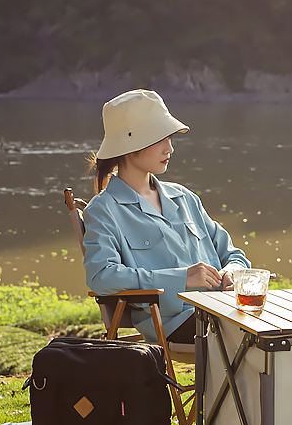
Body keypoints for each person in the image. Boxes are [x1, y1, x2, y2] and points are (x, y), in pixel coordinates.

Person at [83, 89, 250, 344]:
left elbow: (234, 254)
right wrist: (182, 278)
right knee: (262, 338)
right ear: (130, 145)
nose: (169, 148)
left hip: (224, 308)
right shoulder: (104, 210)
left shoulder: (184, 197)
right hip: (179, 323)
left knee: (289, 328)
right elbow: (102, 277)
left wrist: (232, 272)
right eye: (159, 139)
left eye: (169, 138)